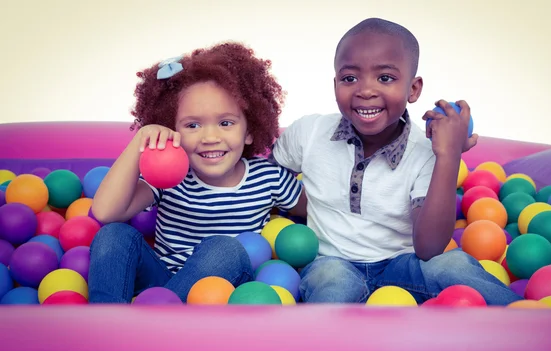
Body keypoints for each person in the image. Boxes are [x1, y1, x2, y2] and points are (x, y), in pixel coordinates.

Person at [270, 18, 522, 305]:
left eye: (385, 78)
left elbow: (429, 248)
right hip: (331, 260)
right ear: (335, 83)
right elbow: (268, 177)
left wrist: (448, 157)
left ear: (413, 89)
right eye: (349, 78)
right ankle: (326, 347)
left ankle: (530, 326)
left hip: (402, 265)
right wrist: (302, 206)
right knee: (332, 282)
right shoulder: (309, 132)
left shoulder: (426, 152)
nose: (365, 90)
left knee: (454, 266)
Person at [89, 42, 306, 303]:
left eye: (226, 123)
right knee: (114, 234)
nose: (210, 137)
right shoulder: (168, 178)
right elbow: (105, 213)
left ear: (249, 131)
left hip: (221, 291)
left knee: (225, 248)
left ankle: (161, 316)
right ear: (171, 130)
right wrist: (140, 144)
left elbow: (322, 211)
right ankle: (106, 321)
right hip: (160, 284)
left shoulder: (269, 178)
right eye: (193, 125)